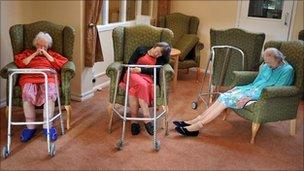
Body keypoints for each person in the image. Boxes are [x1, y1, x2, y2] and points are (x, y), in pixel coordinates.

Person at [173, 47, 294, 136]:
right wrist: (241, 88)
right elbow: (256, 83)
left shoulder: (287, 71)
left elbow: (274, 91)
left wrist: (251, 97)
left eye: (268, 62)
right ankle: (194, 121)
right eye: (265, 62)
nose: (266, 64)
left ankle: (196, 127)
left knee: (226, 100)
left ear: (277, 59)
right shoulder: (267, 66)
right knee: (223, 95)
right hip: (250, 90)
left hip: (261, 97)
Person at [14, 32, 68, 142]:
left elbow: (61, 64)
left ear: (48, 46)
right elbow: (21, 63)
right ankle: (30, 127)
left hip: (48, 78)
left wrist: (46, 54)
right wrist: (34, 54)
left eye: (44, 46)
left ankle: (47, 126)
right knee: (27, 94)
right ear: (35, 45)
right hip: (29, 78)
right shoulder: (28, 53)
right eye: (38, 45)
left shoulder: (52, 54)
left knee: (50, 94)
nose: (41, 48)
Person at [119, 42, 171, 136]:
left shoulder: (160, 58)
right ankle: (147, 119)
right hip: (131, 74)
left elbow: (157, 69)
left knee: (134, 90)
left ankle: (134, 121)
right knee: (142, 85)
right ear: (154, 46)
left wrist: (141, 70)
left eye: (160, 54)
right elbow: (131, 63)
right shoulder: (141, 49)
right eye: (157, 51)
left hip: (146, 78)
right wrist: (136, 69)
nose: (157, 55)